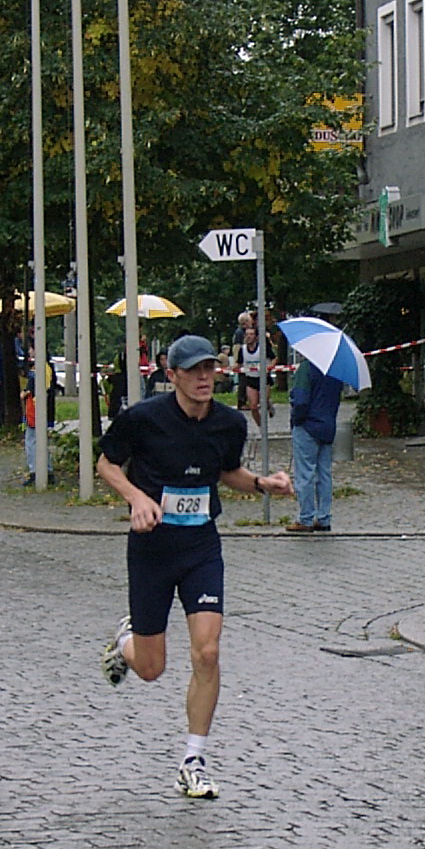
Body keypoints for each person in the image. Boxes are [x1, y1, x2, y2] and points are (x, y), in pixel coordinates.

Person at [94, 334, 293, 799]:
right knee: (151, 668)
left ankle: (193, 760)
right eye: (193, 371)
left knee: (207, 652)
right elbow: (107, 464)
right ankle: (126, 642)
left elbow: (226, 471)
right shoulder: (142, 419)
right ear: (173, 375)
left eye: (209, 369)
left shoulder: (228, 423)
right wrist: (136, 498)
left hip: (201, 546)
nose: (204, 378)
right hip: (152, 549)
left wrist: (262, 484)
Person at [287, 350, 345, 533]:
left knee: (305, 474)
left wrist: (296, 419)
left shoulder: (306, 369)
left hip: (307, 426)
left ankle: (305, 518)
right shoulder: (337, 372)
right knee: (324, 474)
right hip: (327, 427)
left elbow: (301, 401)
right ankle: (324, 517)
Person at [232, 315, 276, 427]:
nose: (249, 336)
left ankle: (269, 405)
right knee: (253, 407)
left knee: (264, 402)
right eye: (247, 334)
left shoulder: (263, 348)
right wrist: (233, 368)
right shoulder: (243, 349)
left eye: (251, 334)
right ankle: (261, 427)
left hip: (263, 378)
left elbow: (274, 358)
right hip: (250, 379)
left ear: (256, 337)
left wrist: (270, 367)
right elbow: (239, 363)